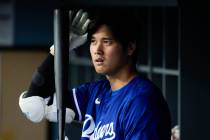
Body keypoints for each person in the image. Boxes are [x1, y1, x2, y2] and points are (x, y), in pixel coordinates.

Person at [19, 9, 171, 140]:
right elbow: (34, 104)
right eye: (93, 41)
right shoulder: (96, 91)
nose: (97, 49)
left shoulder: (142, 101)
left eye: (107, 42)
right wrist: (59, 50)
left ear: (130, 47)